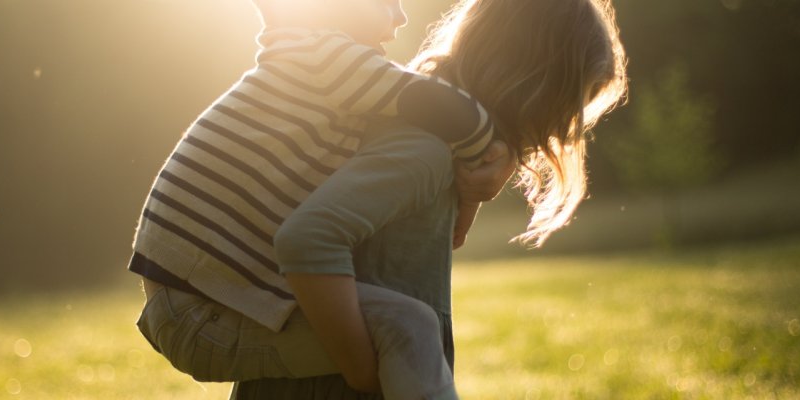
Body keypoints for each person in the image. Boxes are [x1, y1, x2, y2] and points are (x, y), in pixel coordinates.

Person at [138, 0, 629, 396]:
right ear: (538, 80)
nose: (401, 16)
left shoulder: (338, 80)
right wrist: (360, 368)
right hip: (200, 312)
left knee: (407, 329)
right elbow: (308, 238)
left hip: (200, 298)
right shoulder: (344, 76)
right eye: (574, 100)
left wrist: (472, 187)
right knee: (408, 327)